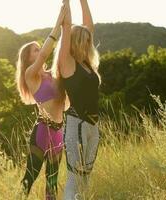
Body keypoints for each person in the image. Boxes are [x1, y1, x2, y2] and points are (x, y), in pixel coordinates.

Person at [15, 2, 69, 199]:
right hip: (42, 131)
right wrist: (57, 26)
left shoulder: (51, 75)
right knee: (30, 178)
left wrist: (66, 27)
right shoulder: (31, 75)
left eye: (39, 49)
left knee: (52, 182)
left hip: (58, 131)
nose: (40, 52)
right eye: (35, 51)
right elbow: (48, 52)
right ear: (29, 59)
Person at [56, 0, 101, 199]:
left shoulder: (86, 63)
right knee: (75, 178)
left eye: (87, 40)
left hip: (93, 126)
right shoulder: (67, 62)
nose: (87, 42)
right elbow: (67, 27)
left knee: (86, 177)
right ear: (74, 42)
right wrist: (66, 2)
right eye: (83, 40)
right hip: (76, 124)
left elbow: (89, 26)